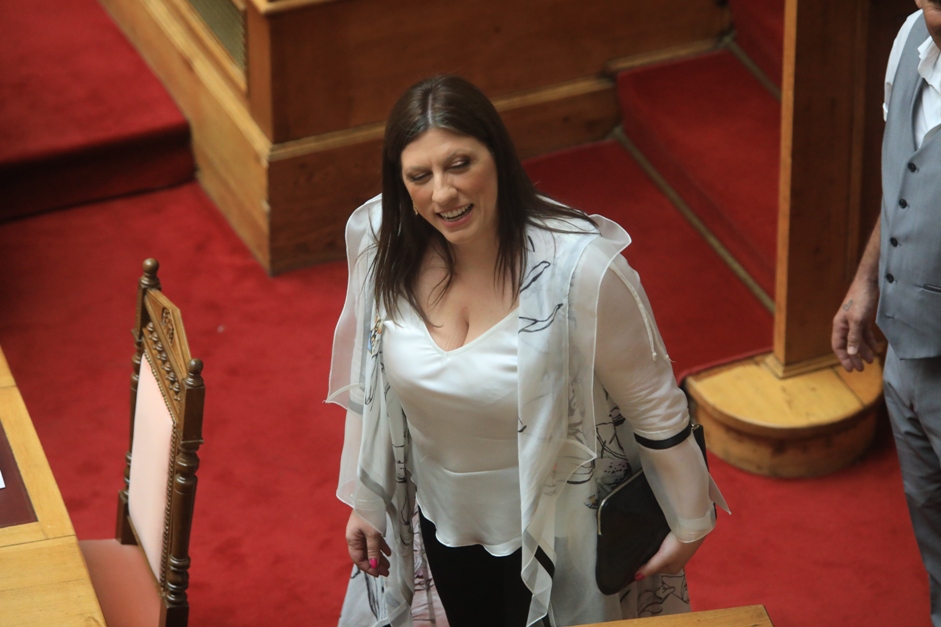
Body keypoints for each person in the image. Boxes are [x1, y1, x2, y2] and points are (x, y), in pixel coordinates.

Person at [327, 75, 727, 627]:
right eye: (420, 176)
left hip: (562, 535)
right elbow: (370, 379)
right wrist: (367, 499)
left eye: (460, 164)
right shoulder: (383, 240)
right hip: (443, 523)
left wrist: (691, 521)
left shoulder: (581, 270)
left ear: (498, 156)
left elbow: (655, 407)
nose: (443, 193)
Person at [831, 2, 941, 625]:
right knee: (935, 534)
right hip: (904, 353)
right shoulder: (909, 38)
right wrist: (867, 280)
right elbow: (906, 183)